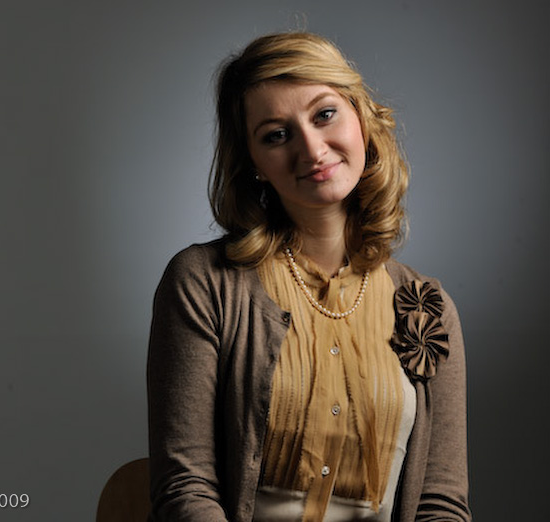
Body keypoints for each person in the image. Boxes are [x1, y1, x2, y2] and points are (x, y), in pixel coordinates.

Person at [146, 32, 471, 522]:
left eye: (325, 114)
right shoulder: (202, 283)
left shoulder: (429, 307)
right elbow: (184, 487)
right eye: (276, 135)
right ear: (253, 163)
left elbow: (441, 504)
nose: (312, 149)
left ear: (361, 118)